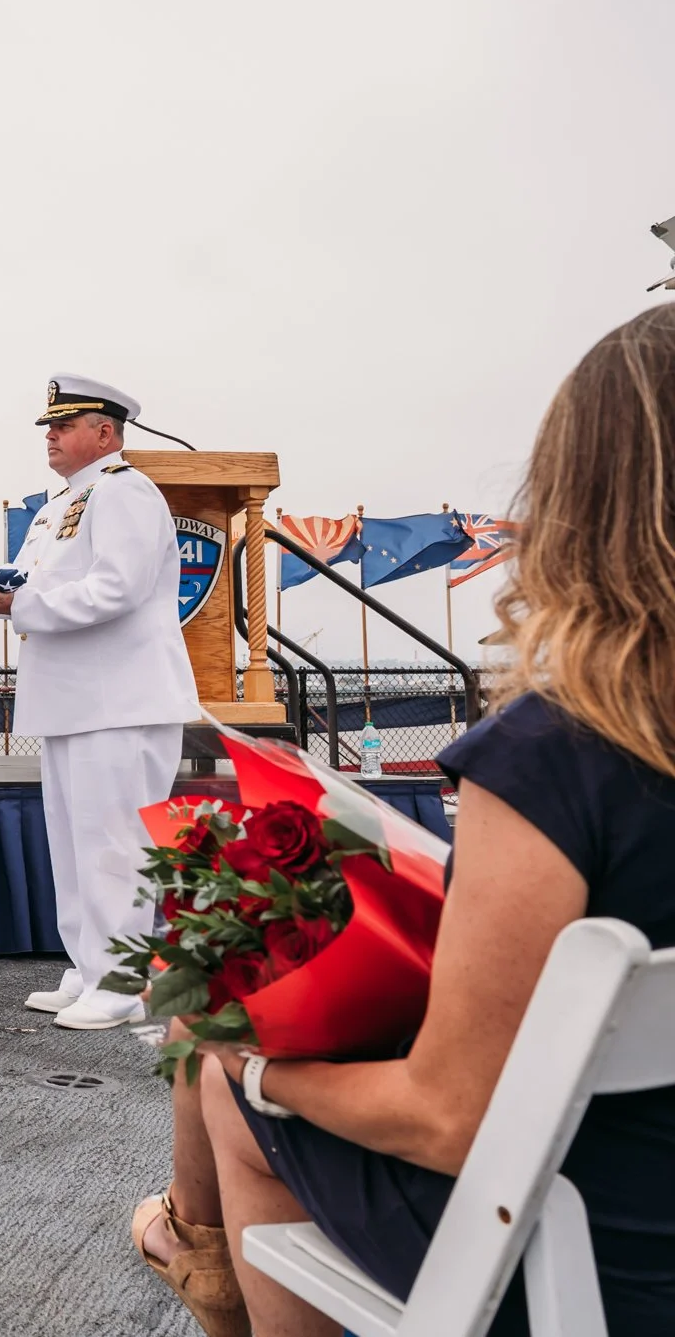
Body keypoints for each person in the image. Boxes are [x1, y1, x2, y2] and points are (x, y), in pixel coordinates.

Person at [135, 306, 675, 1337]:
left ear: (582, 500)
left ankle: (206, 1265)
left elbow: (448, 1116)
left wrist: (259, 1067)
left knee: (227, 1079)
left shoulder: (562, 756)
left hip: (594, 1252)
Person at [0, 376, 197, 1031]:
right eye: (48, 425)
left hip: (119, 699)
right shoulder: (62, 503)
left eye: (65, 423)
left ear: (106, 433)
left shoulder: (125, 492)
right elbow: (44, 584)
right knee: (75, 843)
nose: (51, 434)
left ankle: (119, 981)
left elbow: (115, 587)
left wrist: (22, 602)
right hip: (73, 698)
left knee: (115, 845)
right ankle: (91, 966)